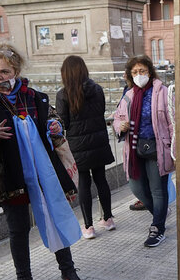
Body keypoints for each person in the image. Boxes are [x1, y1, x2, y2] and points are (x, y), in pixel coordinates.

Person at [0, 43, 81, 280]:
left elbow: (55, 125)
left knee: (55, 215)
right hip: (10, 175)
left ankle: (68, 270)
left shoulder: (35, 98)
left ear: (16, 73)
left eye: (4, 72)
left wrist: (54, 126)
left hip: (43, 173)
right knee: (18, 230)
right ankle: (24, 277)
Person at [113, 54, 174, 247]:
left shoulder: (163, 92)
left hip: (158, 148)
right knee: (136, 187)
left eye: (142, 71)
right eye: (135, 72)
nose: (139, 75)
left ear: (150, 71)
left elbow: (173, 121)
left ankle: (157, 228)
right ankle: (160, 213)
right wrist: (119, 126)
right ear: (130, 75)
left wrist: (176, 148)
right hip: (135, 150)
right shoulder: (129, 95)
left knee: (158, 190)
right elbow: (117, 118)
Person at [56, 56, 115, 239]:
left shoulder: (63, 94)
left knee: (83, 183)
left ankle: (88, 227)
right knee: (101, 179)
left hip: (78, 145)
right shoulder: (97, 89)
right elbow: (101, 112)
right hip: (99, 141)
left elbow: (62, 122)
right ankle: (108, 219)